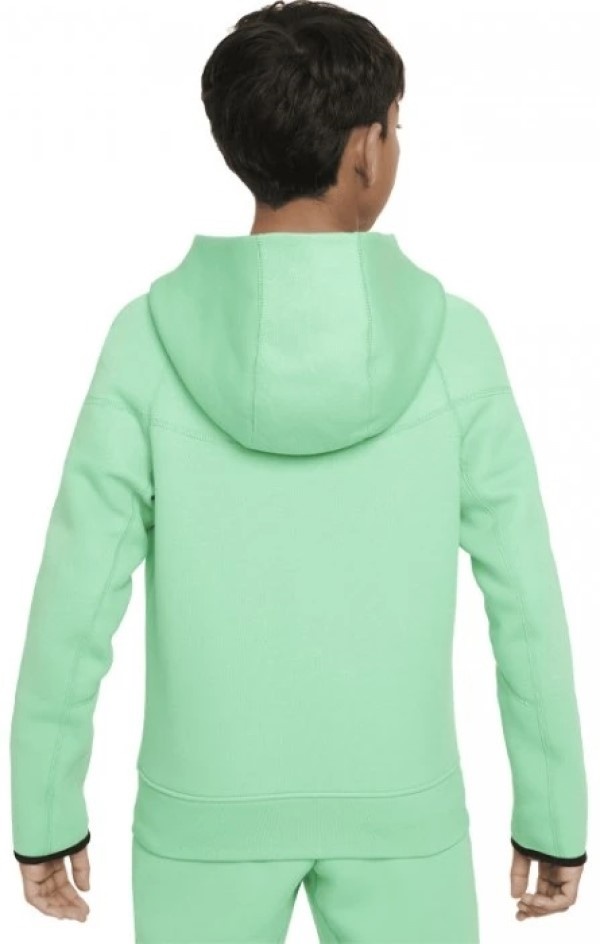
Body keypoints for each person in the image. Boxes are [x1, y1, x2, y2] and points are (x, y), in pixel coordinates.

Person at [10, 1, 588, 942]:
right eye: (395, 126)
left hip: (201, 815)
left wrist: (43, 811)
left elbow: (76, 599)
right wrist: (554, 815)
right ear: (365, 151)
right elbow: (524, 603)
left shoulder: (146, 343)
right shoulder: (456, 345)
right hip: (403, 811)